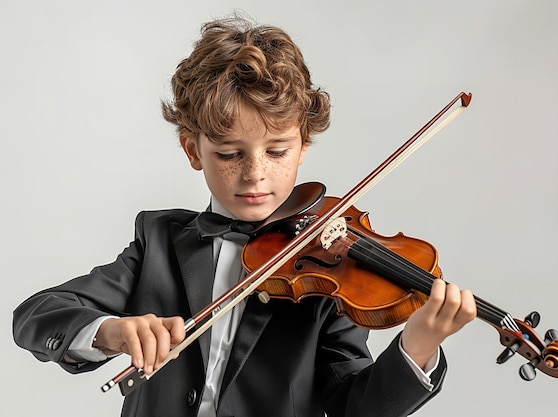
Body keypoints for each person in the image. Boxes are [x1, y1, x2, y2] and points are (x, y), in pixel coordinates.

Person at [12, 14, 476, 417]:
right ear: (193, 150)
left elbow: (355, 406)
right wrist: (110, 331)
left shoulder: (330, 266)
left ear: (303, 146)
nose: (255, 174)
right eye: (231, 154)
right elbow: (36, 315)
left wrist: (418, 348)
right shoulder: (159, 240)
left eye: (277, 151)